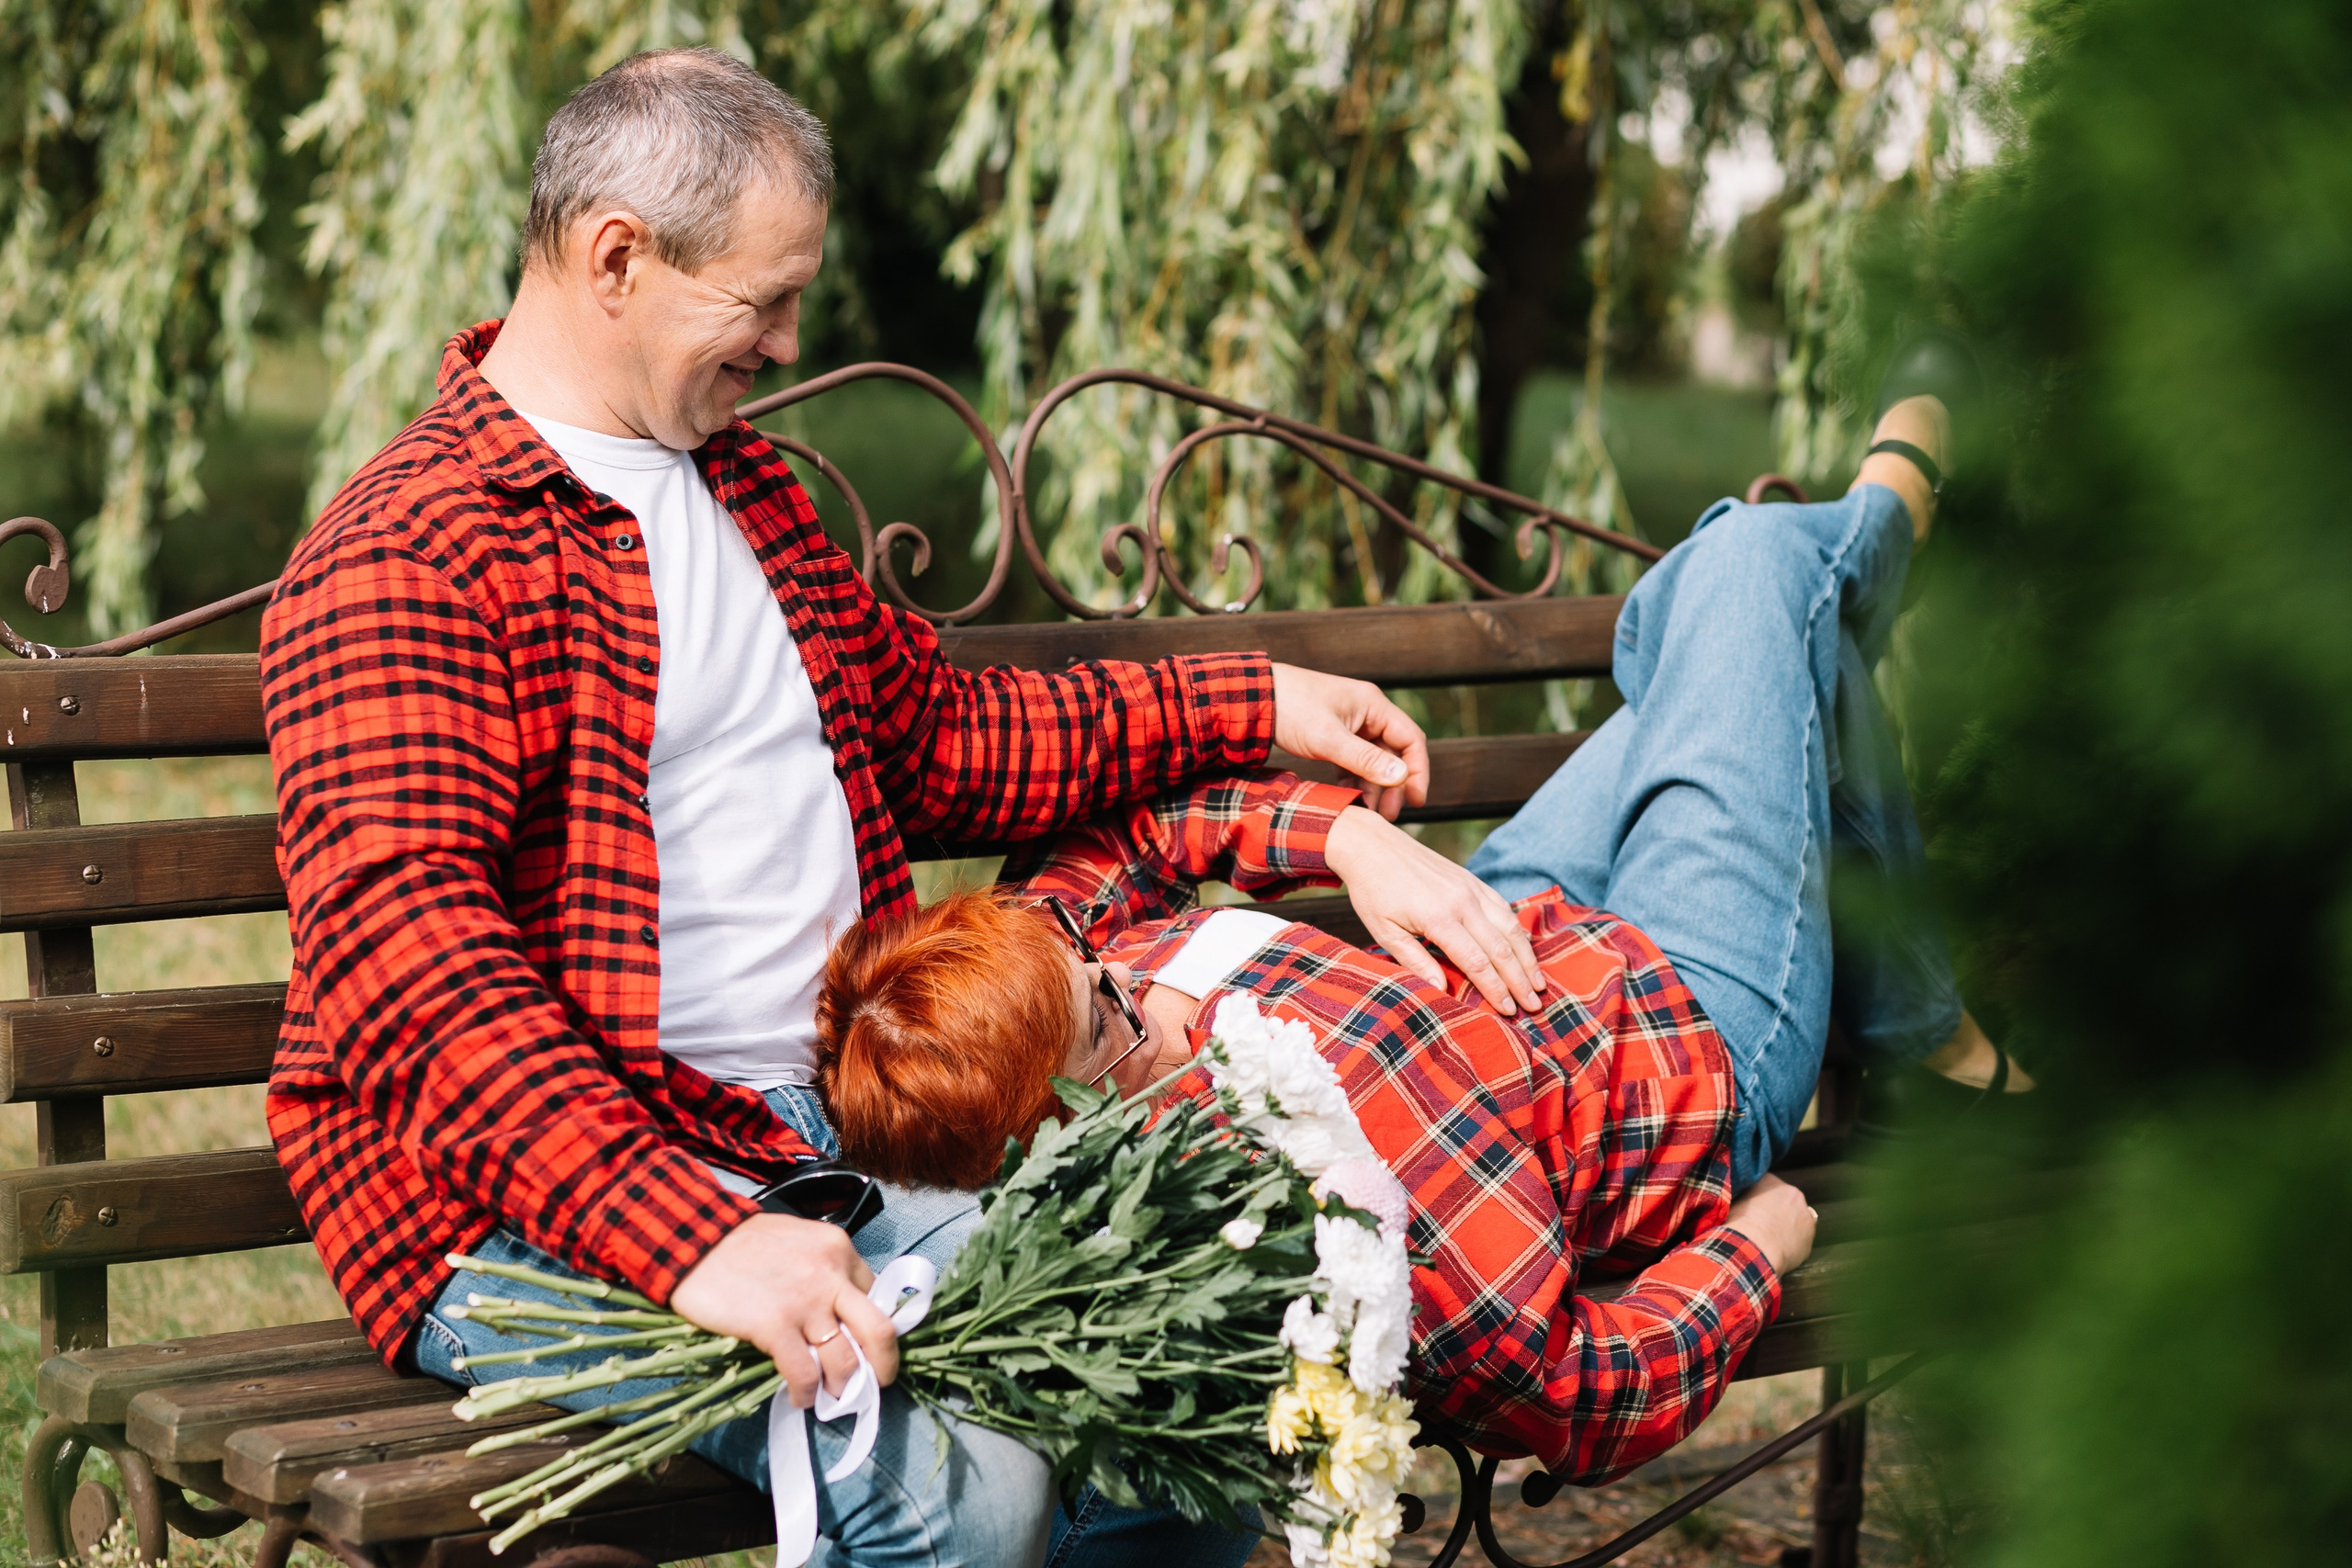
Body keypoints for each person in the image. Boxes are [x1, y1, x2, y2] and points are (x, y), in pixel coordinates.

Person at [260, 46, 1482, 1568]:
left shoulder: (746, 492)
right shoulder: (412, 555)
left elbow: (946, 736)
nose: (784, 341)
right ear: (616, 258)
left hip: (836, 1130)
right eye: (760, 303)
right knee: (968, 1505)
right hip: (522, 1198)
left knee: (1214, 1387)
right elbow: (420, 980)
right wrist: (691, 1235)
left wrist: (1257, 702)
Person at [809, 384, 2030, 1484]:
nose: (1135, 984)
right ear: (1056, 1136)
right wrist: (1758, 1248)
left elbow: (1146, 833)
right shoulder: (1319, 1194)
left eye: (1092, 966)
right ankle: (1885, 538)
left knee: (1726, 630)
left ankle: (1914, 1008)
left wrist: (1351, 841)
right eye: (1114, 1023)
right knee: (1752, 568)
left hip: (1509, 919)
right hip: (1692, 1032)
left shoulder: (1047, 960)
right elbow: (1575, 1394)